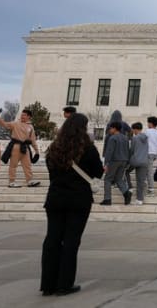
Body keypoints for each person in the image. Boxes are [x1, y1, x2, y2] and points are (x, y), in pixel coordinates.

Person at [40, 113, 103, 296]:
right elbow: (98, 172)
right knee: (70, 241)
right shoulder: (88, 149)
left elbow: (52, 173)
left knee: (52, 239)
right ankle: (64, 284)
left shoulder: (54, 148)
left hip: (56, 197)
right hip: (78, 199)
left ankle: (48, 284)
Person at [0, 108, 40, 188]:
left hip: (25, 147)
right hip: (15, 146)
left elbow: (33, 140)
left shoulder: (31, 127)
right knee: (13, 165)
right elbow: (5, 124)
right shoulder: (15, 123)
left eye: (24, 115)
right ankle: (11, 182)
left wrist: (37, 151)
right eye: (22, 115)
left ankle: (29, 181)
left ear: (29, 117)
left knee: (28, 165)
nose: (22, 116)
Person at [100, 121, 131, 206]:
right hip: (124, 160)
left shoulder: (112, 138)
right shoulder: (125, 138)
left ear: (114, 128)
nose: (109, 130)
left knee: (107, 179)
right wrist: (127, 161)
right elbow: (128, 150)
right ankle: (126, 193)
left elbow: (109, 151)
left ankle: (107, 199)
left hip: (114, 161)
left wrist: (106, 163)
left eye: (110, 128)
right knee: (118, 179)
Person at [128, 122, 149, 205]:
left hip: (135, 161)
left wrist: (128, 159)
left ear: (135, 129)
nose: (132, 131)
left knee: (124, 171)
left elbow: (132, 150)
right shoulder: (146, 138)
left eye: (132, 129)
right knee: (140, 181)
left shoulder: (135, 138)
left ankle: (130, 187)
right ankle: (139, 199)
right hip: (144, 161)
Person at [144, 117, 157, 196]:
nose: (147, 124)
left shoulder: (147, 131)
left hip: (147, 152)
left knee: (149, 171)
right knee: (148, 170)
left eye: (148, 122)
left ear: (151, 123)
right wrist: (156, 155)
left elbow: (144, 142)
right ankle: (147, 187)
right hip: (154, 153)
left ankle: (151, 189)